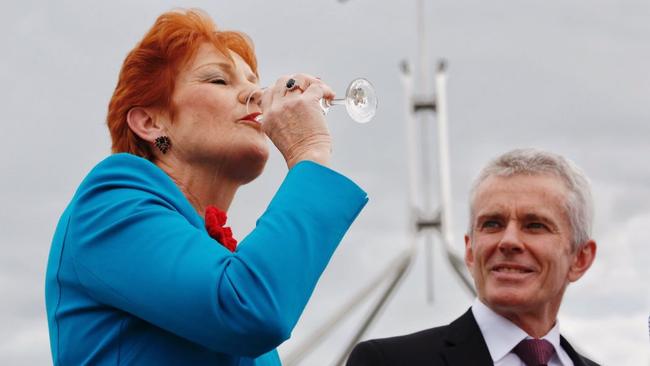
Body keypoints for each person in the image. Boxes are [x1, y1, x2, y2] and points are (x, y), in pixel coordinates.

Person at [45, 8, 368, 365]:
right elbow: (250, 308)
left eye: (252, 81)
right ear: (150, 122)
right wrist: (308, 154)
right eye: (219, 80)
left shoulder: (219, 261)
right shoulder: (108, 205)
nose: (256, 95)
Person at [347, 148, 599, 366]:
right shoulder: (387, 363)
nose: (508, 241)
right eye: (492, 224)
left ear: (580, 258)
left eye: (534, 225)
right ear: (469, 250)